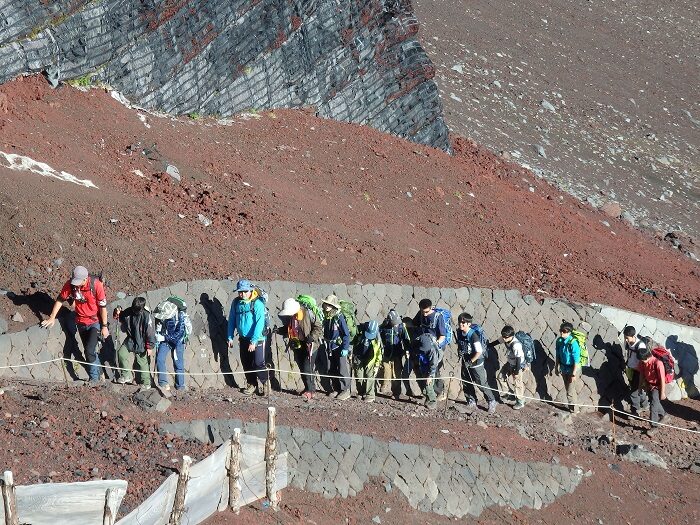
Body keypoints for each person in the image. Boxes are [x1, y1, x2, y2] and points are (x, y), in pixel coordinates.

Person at [41, 266, 108, 385]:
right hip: (80, 323)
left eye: (79, 282)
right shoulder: (71, 285)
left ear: (85, 279)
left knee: (89, 350)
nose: (76, 285)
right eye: (74, 282)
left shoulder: (96, 285)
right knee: (90, 350)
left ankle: (94, 380)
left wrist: (104, 326)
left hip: (94, 322)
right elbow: (60, 300)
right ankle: (100, 372)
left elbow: (103, 308)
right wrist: (52, 317)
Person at [227, 279, 269, 396]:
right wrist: (230, 336)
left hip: (258, 338)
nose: (242, 294)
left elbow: (259, 323)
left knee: (258, 363)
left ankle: (266, 384)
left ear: (250, 290)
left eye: (245, 291)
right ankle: (252, 384)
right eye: (240, 292)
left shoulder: (257, 303)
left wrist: (254, 341)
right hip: (243, 338)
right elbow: (232, 320)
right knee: (246, 363)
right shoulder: (236, 303)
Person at [278, 297, 322, 400]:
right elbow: (289, 328)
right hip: (298, 344)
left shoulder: (307, 313)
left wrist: (312, 337)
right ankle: (308, 388)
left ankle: (311, 390)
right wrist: (279, 330)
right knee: (302, 367)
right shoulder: (292, 316)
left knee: (307, 367)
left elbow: (318, 327)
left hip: (310, 345)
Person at [455, 313, 497, 413]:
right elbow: (461, 345)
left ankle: (491, 400)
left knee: (481, 383)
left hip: (476, 361)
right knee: (466, 381)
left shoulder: (473, 335)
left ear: (469, 324)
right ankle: (471, 400)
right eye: (460, 322)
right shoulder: (460, 332)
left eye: (463, 322)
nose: (461, 324)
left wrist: (470, 362)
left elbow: (479, 352)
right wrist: (460, 352)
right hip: (466, 360)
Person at [114, 297, 155, 388]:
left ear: (142, 308)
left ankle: (146, 382)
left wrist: (150, 346)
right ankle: (126, 375)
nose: (134, 311)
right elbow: (121, 317)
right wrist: (117, 312)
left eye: (136, 310)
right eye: (133, 309)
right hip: (131, 339)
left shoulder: (147, 316)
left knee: (142, 362)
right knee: (121, 353)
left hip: (142, 340)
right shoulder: (129, 311)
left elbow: (150, 332)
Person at [412, 299, 447, 400]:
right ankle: (427, 392)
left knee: (434, 369)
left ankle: (440, 391)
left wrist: (435, 345)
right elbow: (414, 323)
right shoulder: (421, 314)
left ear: (431, 308)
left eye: (427, 312)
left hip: (435, 347)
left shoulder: (438, 317)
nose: (425, 314)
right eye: (423, 312)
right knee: (423, 369)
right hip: (423, 346)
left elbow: (442, 336)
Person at [321, 294, 352, 400]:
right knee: (332, 368)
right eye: (326, 304)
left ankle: (345, 390)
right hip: (329, 347)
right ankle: (337, 388)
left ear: (333, 306)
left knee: (342, 369)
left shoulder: (339, 317)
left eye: (329, 304)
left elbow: (346, 334)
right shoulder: (327, 317)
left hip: (338, 347)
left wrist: (345, 348)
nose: (326, 306)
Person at [378, 309, 412, 399]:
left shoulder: (401, 327)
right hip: (386, 352)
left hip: (397, 353)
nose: (396, 324)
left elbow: (406, 339)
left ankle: (396, 393)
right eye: (394, 323)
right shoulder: (384, 326)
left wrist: (407, 349)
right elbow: (378, 335)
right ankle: (384, 385)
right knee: (385, 369)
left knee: (396, 373)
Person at [154, 300, 186, 391]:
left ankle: (180, 386)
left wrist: (163, 338)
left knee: (178, 364)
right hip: (166, 340)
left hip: (178, 343)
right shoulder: (164, 315)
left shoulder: (181, 318)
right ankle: (163, 383)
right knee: (160, 358)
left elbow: (177, 336)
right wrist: (159, 329)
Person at [494, 325, 527, 410]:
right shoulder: (505, 338)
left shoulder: (516, 345)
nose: (504, 339)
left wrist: (516, 371)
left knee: (517, 383)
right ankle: (509, 394)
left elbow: (519, 359)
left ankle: (520, 401)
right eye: (503, 336)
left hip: (518, 365)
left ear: (511, 336)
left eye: (506, 337)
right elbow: (496, 342)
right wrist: (487, 346)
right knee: (501, 377)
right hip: (510, 363)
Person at [638, 346, 667, 434]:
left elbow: (662, 379)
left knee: (653, 406)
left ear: (647, 357)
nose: (642, 362)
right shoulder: (643, 362)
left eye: (643, 360)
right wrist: (640, 386)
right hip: (649, 385)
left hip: (657, 387)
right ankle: (665, 415)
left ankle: (654, 426)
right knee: (654, 402)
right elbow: (642, 374)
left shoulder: (658, 363)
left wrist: (662, 393)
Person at [353, 320, 383, 403]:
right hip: (359, 357)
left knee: (370, 377)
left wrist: (377, 365)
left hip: (371, 360)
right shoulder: (360, 331)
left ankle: (370, 395)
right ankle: (361, 392)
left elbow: (379, 354)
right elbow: (353, 341)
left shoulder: (378, 340)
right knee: (359, 376)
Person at [555, 322, 581, 413]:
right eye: (561, 331)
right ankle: (573, 408)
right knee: (568, 389)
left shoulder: (573, 343)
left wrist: (573, 374)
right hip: (563, 367)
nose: (562, 333)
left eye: (564, 331)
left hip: (572, 368)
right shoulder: (559, 341)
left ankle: (574, 410)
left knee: (570, 390)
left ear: (569, 332)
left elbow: (576, 360)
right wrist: (556, 367)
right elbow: (557, 355)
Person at [623, 325, 649, 414]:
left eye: (627, 338)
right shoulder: (628, 342)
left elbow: (643, 360)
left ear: (633, 336)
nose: (626, 340)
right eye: (625, 337)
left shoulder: (640, 345)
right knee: (638, 389)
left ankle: (635, 411)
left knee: (634, 391)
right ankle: (645, 405)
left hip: (638, 371)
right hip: (630, 369)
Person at [411, 333, 440, 409]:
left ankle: (432, 402)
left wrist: (429, 376)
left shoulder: (432, 350)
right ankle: (427, 398)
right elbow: (413, 353)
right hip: (421, 365)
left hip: (429, 367)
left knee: (428, 386)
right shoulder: (416, 343)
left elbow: (433, 364)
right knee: (421, 383)